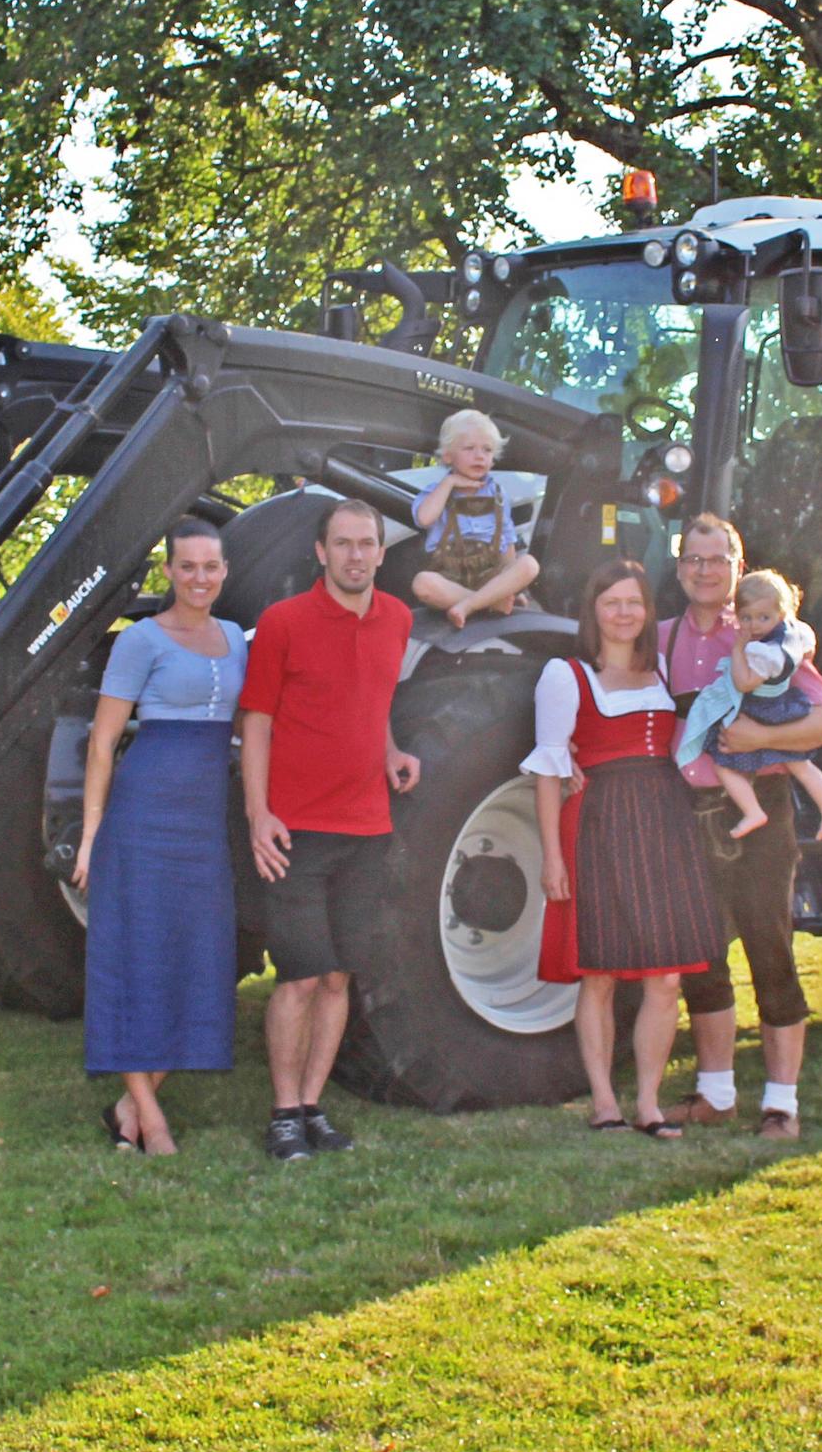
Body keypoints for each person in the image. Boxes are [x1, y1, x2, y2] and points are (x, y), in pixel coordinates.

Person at [239, 497, 421, 1163]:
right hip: (295, 831)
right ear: (321, 552)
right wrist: (260, 814)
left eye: (366, 544)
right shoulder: (283, 623)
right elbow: (255, 722)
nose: (355, 555)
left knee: (340, 976)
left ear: (381, 551)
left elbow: (373, 703)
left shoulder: (397, 620)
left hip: (367, 827)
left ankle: (313, 1106)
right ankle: (283, 1112)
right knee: (298, 977)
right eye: (342, 544)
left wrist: (392, 751)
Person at [529, 558, 733, 1140]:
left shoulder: (662, 667)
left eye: (635, 603)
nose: (624, 613)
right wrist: (551, 856)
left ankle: (647, 1101)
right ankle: (603, 1101)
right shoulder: (565, 675)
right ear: (593, 611)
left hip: (664, 820)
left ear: (647, 612)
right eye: (612, 602)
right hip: (598, 820)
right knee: (599, 973)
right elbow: (547, 770)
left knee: (665, 976)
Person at [659, 515, 822, 1141]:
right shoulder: (661, 640)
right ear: (680, 567)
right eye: (693, 559)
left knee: (771, 950)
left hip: (759, 811)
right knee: (701, 958)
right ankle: (715, 1095)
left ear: (738, 567)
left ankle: (782, 1106)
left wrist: (763, 736)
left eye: (717, 560)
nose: (704, 571)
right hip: (690, 816)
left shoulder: (772, 639)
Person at [71, 522, 246, 1155]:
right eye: (188, 566)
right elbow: (100, 742)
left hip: (203, 821)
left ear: (225, 571)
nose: (201, 577)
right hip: (142, 817)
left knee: (200, 960)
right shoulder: (140, 641)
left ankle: (125, 1108)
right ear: (168, 572)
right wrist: (91, 835)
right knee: (135, 958)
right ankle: (152, 1117)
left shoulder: (234, 639)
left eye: (212, 566)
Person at [674, 567, 822, 841]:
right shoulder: (795, 636)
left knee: (723, 762)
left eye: (763, 617)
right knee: (800, 764)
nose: (754, 626)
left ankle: (753, 810)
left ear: (781, 613)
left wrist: (737, 650)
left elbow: (743, 683)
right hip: (784, 707)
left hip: (764, 710)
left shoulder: (762, 650)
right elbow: (808, 644)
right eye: (747, 618)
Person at [408, 408, 541, 628]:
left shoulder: (498, 495)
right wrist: (449, 484)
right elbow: (424, 518)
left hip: (490, 572)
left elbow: (506, 543)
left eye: (487, 450)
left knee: (529, 564)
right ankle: (488, 602)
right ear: (448, 455)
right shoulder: (437, 491)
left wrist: (509, 584)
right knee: (422, 583)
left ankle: (471, 604)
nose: (479, 455)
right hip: (451, 578)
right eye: (469, 448)